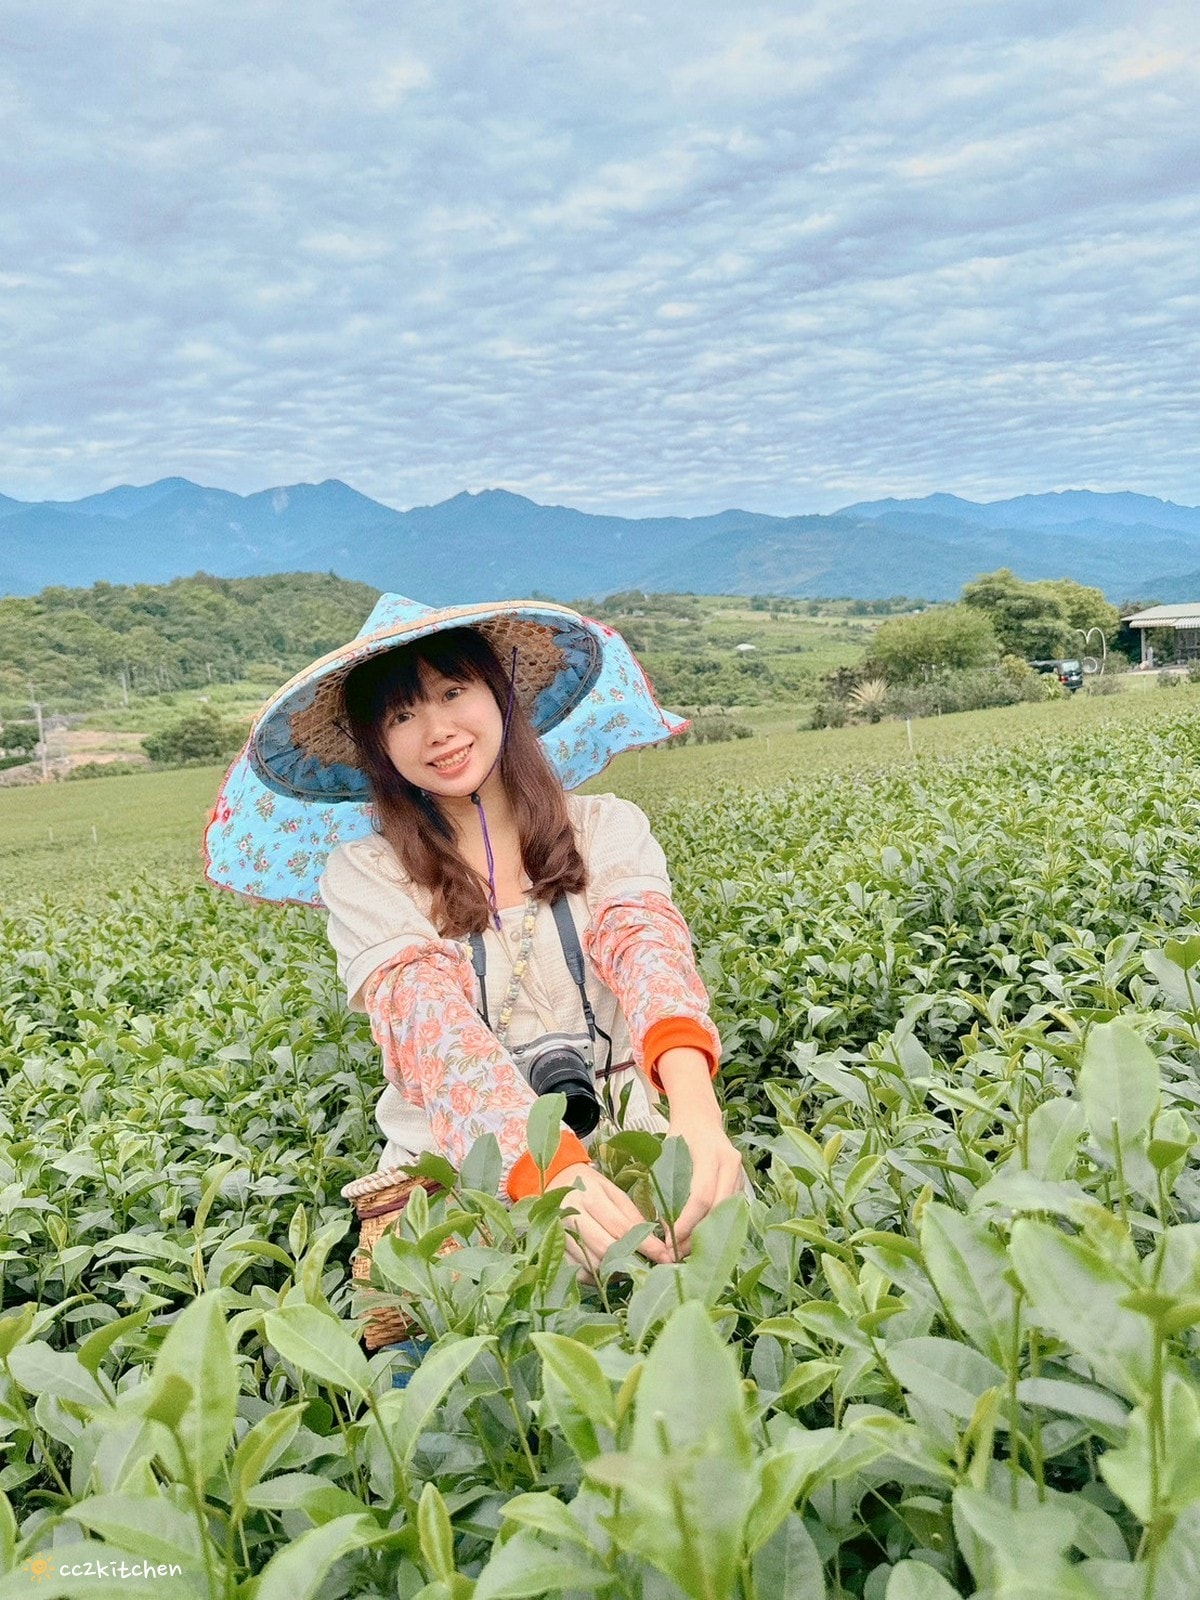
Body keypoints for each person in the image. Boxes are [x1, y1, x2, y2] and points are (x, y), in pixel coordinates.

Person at [205, 593, 745, 1273]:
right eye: (402, 714)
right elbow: (431, 1029)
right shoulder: (368, 875)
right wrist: (540, 1166)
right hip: (470, 1172)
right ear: (378, 746)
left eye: (452, 690)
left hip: (633, 1138)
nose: (437, 731)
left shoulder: (607, 829)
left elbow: (650, 959)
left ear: (499, 693)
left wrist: (698, 1113)